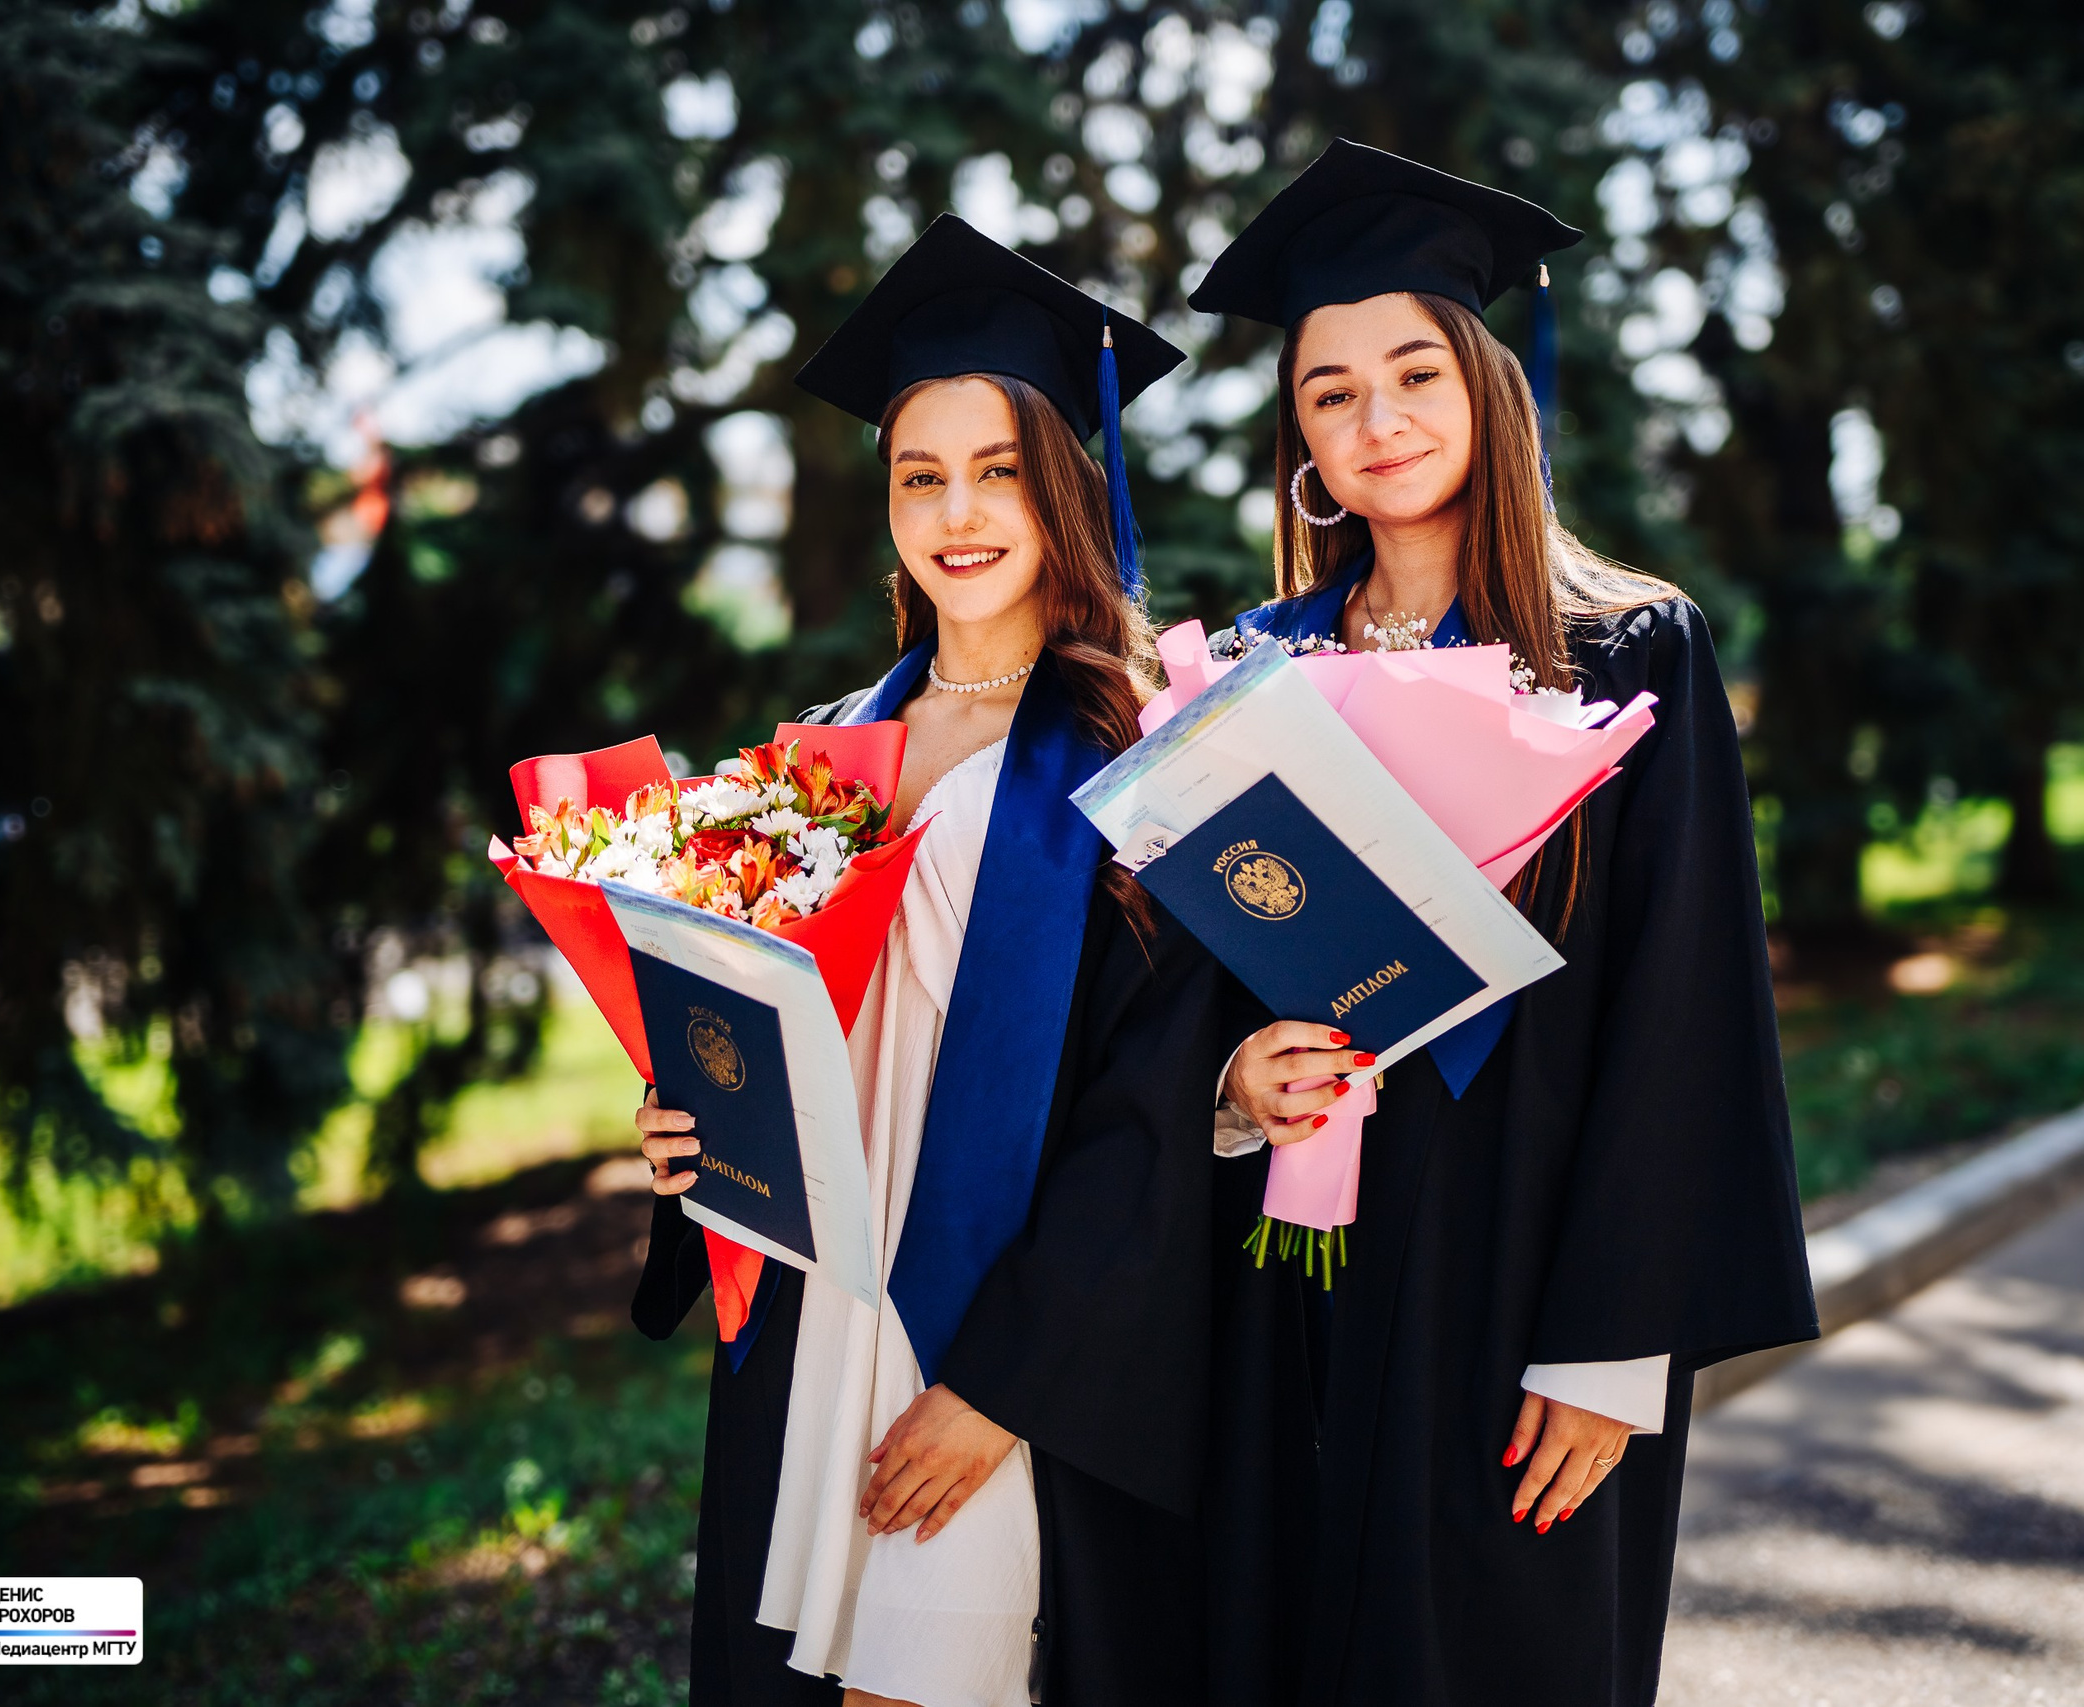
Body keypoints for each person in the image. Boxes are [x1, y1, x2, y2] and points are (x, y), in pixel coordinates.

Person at [1186, 142, 1819, 1706]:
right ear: (1301, 442)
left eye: (1412, 372)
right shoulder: (1248, 670)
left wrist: (1613, 1352)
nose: (1376, 420)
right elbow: (1196, 976)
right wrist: (1230, 1086)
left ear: (1487, 387)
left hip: (1525, 1271)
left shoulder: (1625, 652)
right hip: (1289, 1277)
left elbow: (1684, 1015)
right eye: (1330, 393)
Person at [630, 214, 1247, 1707]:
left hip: (1005, 1334)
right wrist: (691, 1134)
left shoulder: (1141, 748)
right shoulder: (828, 749)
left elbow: (1149, 1113)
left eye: (1001, 469)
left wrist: (1001, 1387)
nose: (958, 510)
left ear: (1066, 485)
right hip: (816, 1321)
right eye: (921, 474)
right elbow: (771, 1025)